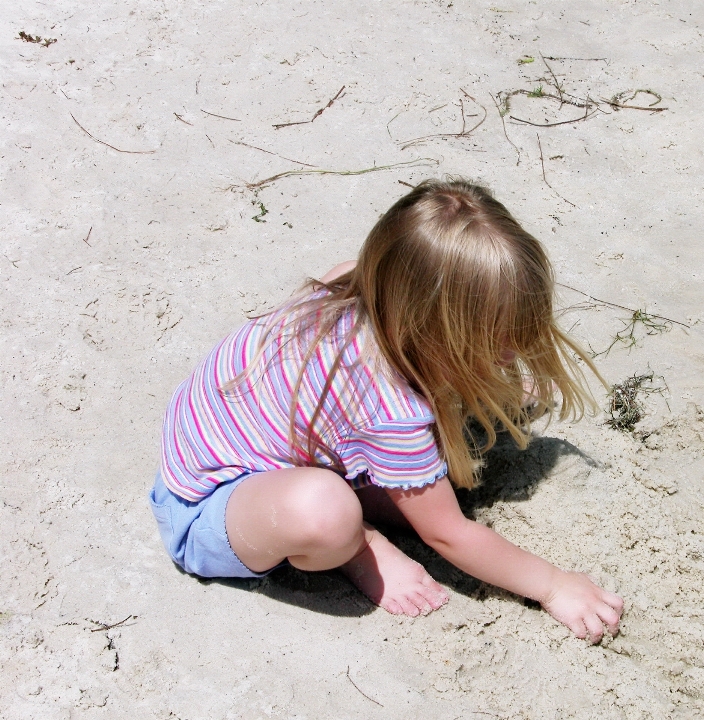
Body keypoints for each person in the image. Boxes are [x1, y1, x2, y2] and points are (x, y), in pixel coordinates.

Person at [150, 179, 623, 642]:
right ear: (429, 325)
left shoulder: (354, 281)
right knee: (327, 513)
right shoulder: (392, 413)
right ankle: (359, 544)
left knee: (445, 447)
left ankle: (357, 499)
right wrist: (555, 586)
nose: (511, 351)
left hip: (220, 429)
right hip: (206, 504)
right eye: (491, 341)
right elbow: (450, 536)